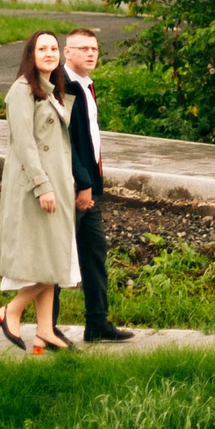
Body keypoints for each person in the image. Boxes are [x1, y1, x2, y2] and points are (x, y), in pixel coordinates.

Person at [0, 31, 80, 354]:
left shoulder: (53, 91)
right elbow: (25, 144)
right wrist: (43, 186)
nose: (49, 53)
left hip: (57, 185)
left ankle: (44, 330)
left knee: (51, 256)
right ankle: (11, 311)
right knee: (51, 259)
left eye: (54, 48)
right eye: (42, 48)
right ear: (31, 54)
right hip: (35, 188)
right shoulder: (22, 90)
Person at [51, 27, 132, 343]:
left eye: (94, 48)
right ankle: (49, 327)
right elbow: (66, 141)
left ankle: (97, 324)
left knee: (94, 251)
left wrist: (93, 183)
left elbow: (90, 139)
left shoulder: (85, 85)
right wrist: (82, 183)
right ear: (67, 52)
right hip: (72, 186)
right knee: (60, 255)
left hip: (89, 185)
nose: (90, 53)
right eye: (82, 48)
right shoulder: (63, 86)